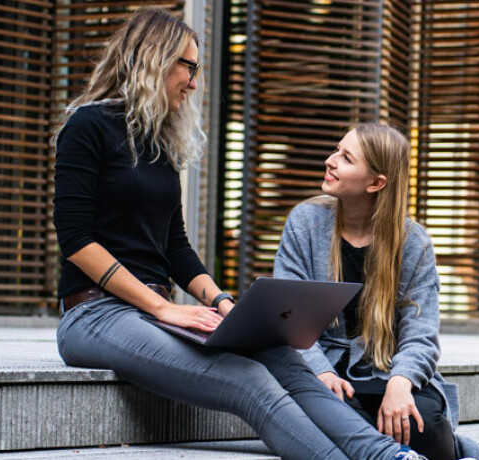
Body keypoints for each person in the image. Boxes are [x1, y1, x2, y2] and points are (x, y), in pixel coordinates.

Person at [52, 9, 434, 460]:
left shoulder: (159, 144)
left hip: (151, 315)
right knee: (247, 379)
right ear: (154, 59)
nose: (194, 82)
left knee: (286, 361)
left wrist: (224, 304)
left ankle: (391, 457)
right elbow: (75, 240)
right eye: (188, 67)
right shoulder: (87, 126)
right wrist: (164, 307)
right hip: (94, 317)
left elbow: (176, 248)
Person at [273, 123, 479, 460]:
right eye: (336, 150)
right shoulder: (305, 223)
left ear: (376, 183)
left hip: (388, 368)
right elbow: (288, 316)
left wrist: (401, 383)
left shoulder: (413, 242)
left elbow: (421, 334)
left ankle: (455, 450)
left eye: (346, 157)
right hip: (327, 368)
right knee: (339, 419)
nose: (330, 160)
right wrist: (320, 370)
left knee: (419, 423)